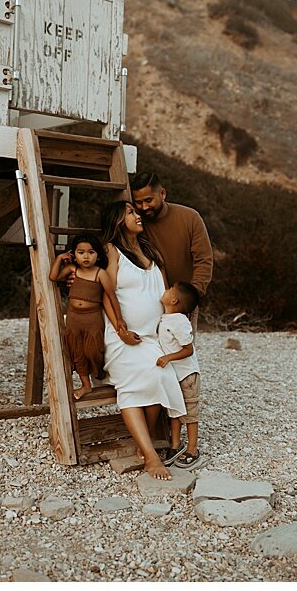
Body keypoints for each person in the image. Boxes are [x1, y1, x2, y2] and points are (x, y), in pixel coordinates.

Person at [98, 200, 186, 481]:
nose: (138, 215)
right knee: (144, 379)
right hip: (122, 338)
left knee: (162, 377)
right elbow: (106, 294)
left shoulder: (151, 252)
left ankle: (143, 442)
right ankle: (150, 456)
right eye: (130, 212)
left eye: (136, 211)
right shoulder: (112, 251)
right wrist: (120, 328)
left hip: (151, 340)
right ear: (116, 220)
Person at [130, 173, 213, 305]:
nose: (144, 207)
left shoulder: (190, 218)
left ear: (162, 194)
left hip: (185, 302)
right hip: (148, 301)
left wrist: (192, 295)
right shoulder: (135, 223)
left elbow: (203, 260)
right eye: (139, 202)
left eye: (148, 200)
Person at [48, 234, 110, 400]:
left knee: (93, 350)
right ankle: (85, 385)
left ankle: (100, 372)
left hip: (93, 317)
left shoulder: (100, 273)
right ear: (74, 254)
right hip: (74, 317)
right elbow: (53, 277)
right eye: (81, 252)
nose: (86, 256)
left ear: (97, 255)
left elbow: (112, 296)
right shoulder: (72, 270)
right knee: (77, 351)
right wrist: (60, 258)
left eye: (90, 252)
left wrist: (118, 320)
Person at [156, 282, 204, 469]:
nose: (165, 290)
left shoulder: (179, 321)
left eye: (169, 290)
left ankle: (193, 449)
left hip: (187, 375)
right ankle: (175, 445)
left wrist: (168, 357)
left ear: (174, 300)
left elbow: (188, 349)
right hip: (174, 374)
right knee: (175, 410)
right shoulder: (167, 317)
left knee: (190, 413)